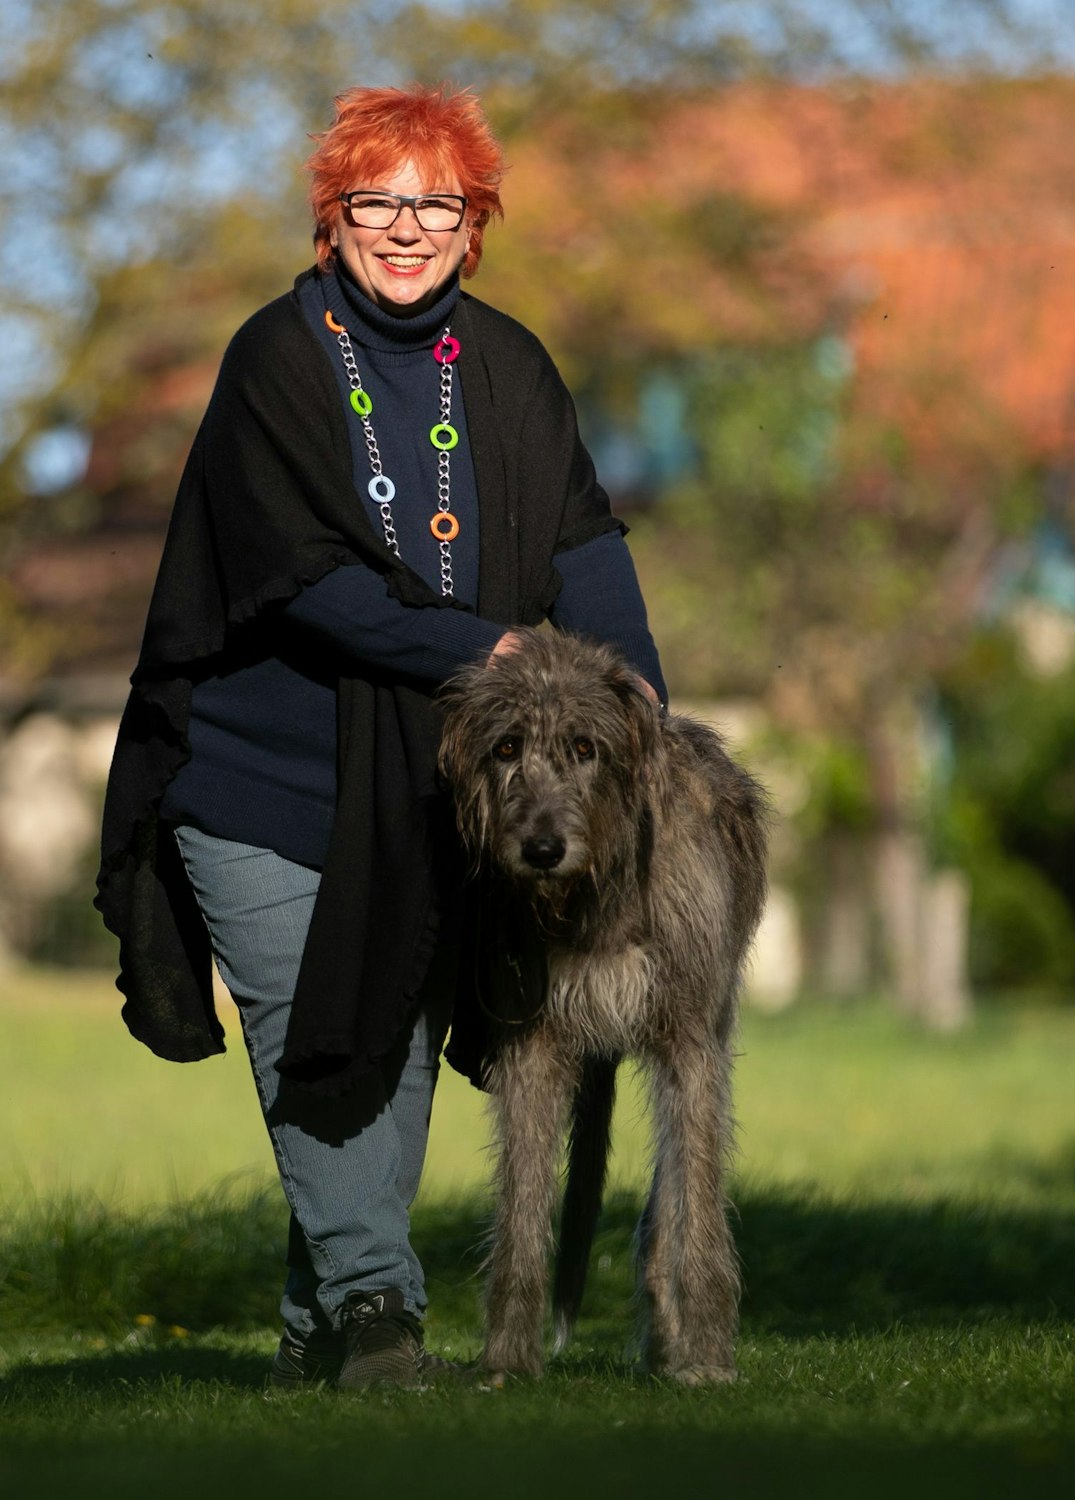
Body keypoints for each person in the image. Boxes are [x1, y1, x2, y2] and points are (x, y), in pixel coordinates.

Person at [96, 83, 667, 1391]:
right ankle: (379, 1317)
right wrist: (496, 652)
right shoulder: (275, 362)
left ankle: (314, 1338)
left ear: (475, 223)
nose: (407, 229)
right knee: (327, 1036)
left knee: (400, 1051)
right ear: (331, 216)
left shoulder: (511, 367)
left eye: (437, 205)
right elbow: (313, 585)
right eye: (378, 204)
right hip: (257, 779)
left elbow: (583, 543)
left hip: (425, 790)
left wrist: (635, 689)